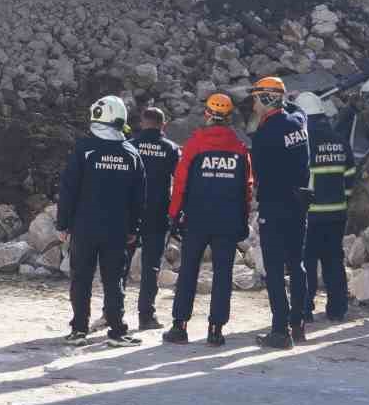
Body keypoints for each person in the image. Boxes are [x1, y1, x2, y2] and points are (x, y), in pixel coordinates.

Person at [162, 93, 253, 347]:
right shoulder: (239, 147)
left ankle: (179, 327)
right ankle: (216, 330)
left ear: (207, 114)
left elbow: (180, 183)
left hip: (197, 220)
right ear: (229, 117)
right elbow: (247, 188)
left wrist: (173, 215)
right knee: (222, 274)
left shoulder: (195, 144)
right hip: (227, 221)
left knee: (189, 271)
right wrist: (243, 219)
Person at [57, 94, 146, 346]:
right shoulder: (131, 153)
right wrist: (134, 228)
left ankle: (79, 330)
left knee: (81, 277)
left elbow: (68, 189)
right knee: (114, 279)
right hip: (117, 229)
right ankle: (117, 330)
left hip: (84, 227)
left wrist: (63, 224)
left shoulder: (84, 149)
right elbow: (139, 197)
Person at [249, 75, 312, 350]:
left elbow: (259, 173)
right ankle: (298, 324)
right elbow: (297, 110)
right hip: (298, 202)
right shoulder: (299, 121)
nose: (253, 104)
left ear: (266, 98)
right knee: (296, 264)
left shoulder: (265, 133)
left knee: (274, 269)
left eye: (255, 98)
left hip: (275, 205)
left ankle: (279, 330)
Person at [296, 92, 355, 325]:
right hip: (336, 214)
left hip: (310, 215)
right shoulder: (339, 140)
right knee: (333, 261)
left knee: (307, 262)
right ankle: (337, 309)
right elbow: (350, 175)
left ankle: (305, 309)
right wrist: (343, 199)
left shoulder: (303, 141)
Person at [128, 106, 180, 331]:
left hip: (128, 213)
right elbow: (180, 181)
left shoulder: (129, 145)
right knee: (151, 266)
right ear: (163, 125)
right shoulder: (170, 148)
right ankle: (146, 316)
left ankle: (112, 312)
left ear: (141, 122)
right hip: (157, 214)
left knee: (119, 263)